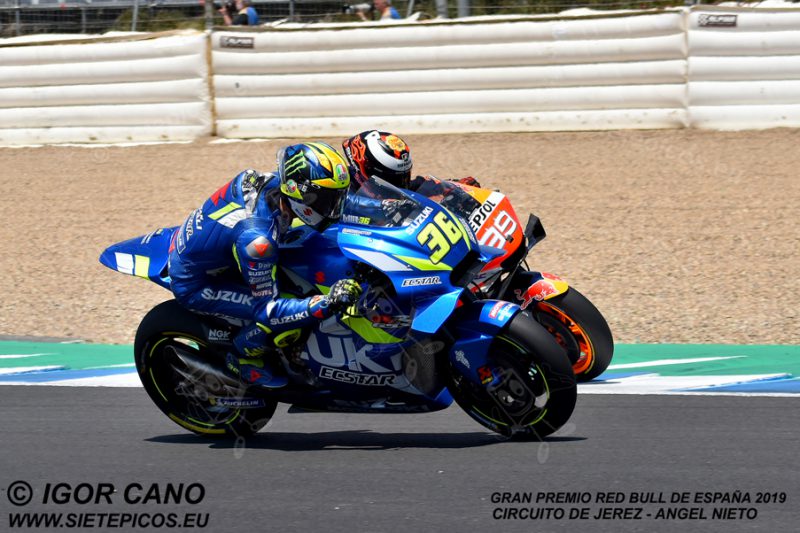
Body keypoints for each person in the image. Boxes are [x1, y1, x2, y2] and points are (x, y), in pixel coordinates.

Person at [168, 142, 361, 389]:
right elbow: (267, 309)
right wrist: (328, 302)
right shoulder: (258, 241)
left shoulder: (278, 188)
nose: (334, 207)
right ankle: (242, 357)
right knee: (284, 319)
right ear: (298, 193)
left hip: (222, 251)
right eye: (326, 200)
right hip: (200, 283)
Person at [341, 130, 481, 202]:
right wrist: (382, 207)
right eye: (392, 178)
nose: (401, 184)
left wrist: (456, 186)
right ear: (366, 168)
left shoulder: (396, 186)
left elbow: (420, 186)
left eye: (404, 176)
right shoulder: (343, 188)